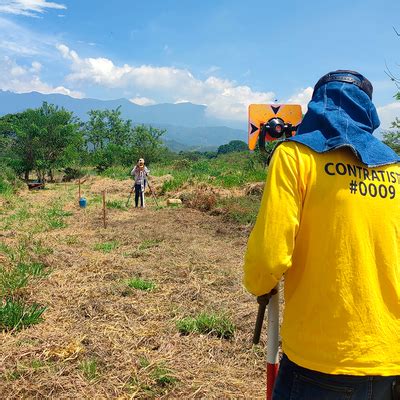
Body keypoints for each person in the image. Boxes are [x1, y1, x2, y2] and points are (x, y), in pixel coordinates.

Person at [243, 70, 400, 399]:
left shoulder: (294, 156)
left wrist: (259, 284)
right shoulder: (396, 170)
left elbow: (269, 258)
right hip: (391, 358)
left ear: (316, 105)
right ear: (368, 110)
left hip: (320, 365)